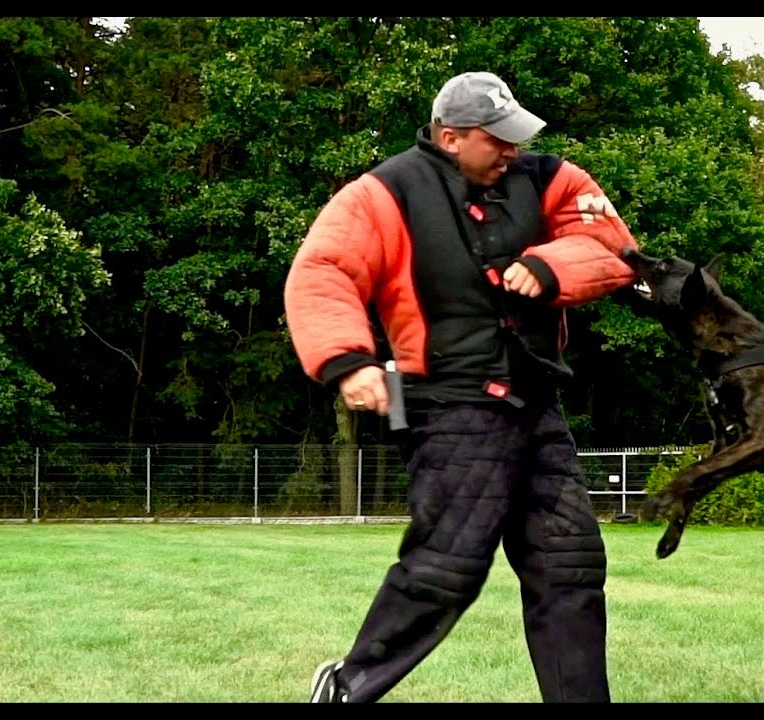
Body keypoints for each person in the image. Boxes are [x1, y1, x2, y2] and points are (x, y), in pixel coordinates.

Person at [283, 70, 639, 703]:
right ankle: (346, 688)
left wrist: (549, 264)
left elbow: (611, 243)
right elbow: (323, 271)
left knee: (572, 568)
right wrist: (348, 361)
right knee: (444, 571)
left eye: (515, 137)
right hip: (448, 408)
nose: (511, 150)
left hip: (536, 405)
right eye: (496, 139)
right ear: (450, 137)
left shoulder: (549, 177)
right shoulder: (383, 193)